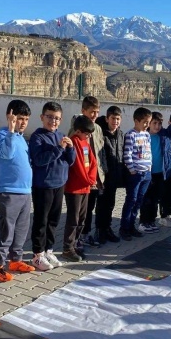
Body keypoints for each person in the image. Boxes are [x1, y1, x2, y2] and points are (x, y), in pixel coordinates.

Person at [0, 100, 36, 281]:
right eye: (19, 118)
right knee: (6, 231)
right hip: (8, 192)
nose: (23, 122)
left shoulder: (21, 139)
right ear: (10, 117)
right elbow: (6, 154)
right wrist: (10, 130)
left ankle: (16, 260)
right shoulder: (2, 135)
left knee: (21, 230)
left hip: (25, 192)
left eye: (26, 119)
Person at [29, 102, 76, 269]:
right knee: (41, 220)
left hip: (59, 184)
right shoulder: (37, 137)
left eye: (56, 118)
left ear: (61, 120)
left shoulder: (62, 135)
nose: (53, 121)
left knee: (53, 220)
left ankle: (48, 250)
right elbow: (39, 160)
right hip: (43, 185)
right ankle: (37, 254)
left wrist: (70, 148)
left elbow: (70, 161)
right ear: (42, 117)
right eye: (49, 117)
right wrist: (59, 148)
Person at [138, 100, 171, 233]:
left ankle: (151, 221)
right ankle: (143, 222)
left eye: (159, 123)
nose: (157, 126)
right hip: (147, 173)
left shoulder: (164, 135)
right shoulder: (143, 136)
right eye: (154, 123)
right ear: (148, 123)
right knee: (146, 199)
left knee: (155, 199)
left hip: (160, 174)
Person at [68, 96, 106, 248]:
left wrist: (102, 174)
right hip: (80, 180)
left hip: (95, 177)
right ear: (83, 111)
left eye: (97, 112)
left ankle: (85, 234)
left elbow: (100, 152)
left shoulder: (97, 129)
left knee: (89, 209)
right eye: (92, 112)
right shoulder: (75, 131)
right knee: (79, 212)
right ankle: (75, 240)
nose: (95, 115)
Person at [62, 116, 97, 262]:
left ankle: (76, 244)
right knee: (73, 219)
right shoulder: (74, 141)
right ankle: (67, 248)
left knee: (82, 218)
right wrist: (88, 179)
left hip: (86, 188)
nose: (88, 136)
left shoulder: (85, 143)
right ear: (78, 131)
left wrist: (92, 179)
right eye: (86, 133)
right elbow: (78, 166)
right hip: (75, 188)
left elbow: (93, 162)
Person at [120, 107, 153, 241]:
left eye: (148, 122)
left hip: (146, 173)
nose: (147, 125)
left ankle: (132, 225)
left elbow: (148, 151)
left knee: (139, 201)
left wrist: (149, 167)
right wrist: (132, 170)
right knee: (131, 200)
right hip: (135, 174)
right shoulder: (130, 135)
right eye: (144, 122)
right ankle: (124, 228)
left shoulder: (147, 134)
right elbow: (127, 154)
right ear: (136, 121)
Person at [94, 106, 125, 243]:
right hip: (104, 177)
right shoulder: (101, 134)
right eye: (113, 118)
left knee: (111, 204)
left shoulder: (120, 134)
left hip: (115, 177)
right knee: (101, 205)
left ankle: (107, 228)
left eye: (118, 119)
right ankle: (99, 230)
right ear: (107, 119)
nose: (115, 121)